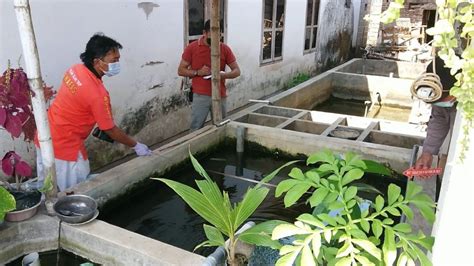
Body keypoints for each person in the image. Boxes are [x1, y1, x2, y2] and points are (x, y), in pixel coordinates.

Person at [35, 33, 152, 191]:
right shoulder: (98, 94)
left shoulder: (75, 70)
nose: (117, 63)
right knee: (75, 193)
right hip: (66, 147)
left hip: (44, 136)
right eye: (114, 60)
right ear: (97, 61)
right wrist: (136, 145)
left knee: (46, 189)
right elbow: (109, 129)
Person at [178, 20, 240, 130]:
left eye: (219, 35)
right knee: (196, 127)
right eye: (212, 35)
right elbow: (181, 70)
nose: (216, 39)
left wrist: (223, 75)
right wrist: (197, 72)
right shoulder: (192, 47)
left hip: (220, 94)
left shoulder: (224, 48)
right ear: (204, 33)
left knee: (222, 126)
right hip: (201, 95)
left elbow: (237, 71)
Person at [415, 56, 457, 171]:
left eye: (441, 100)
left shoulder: (467, 107)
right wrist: (428, 152)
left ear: (457, 89)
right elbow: (439, 119)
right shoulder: (439, 98)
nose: (438, 105)